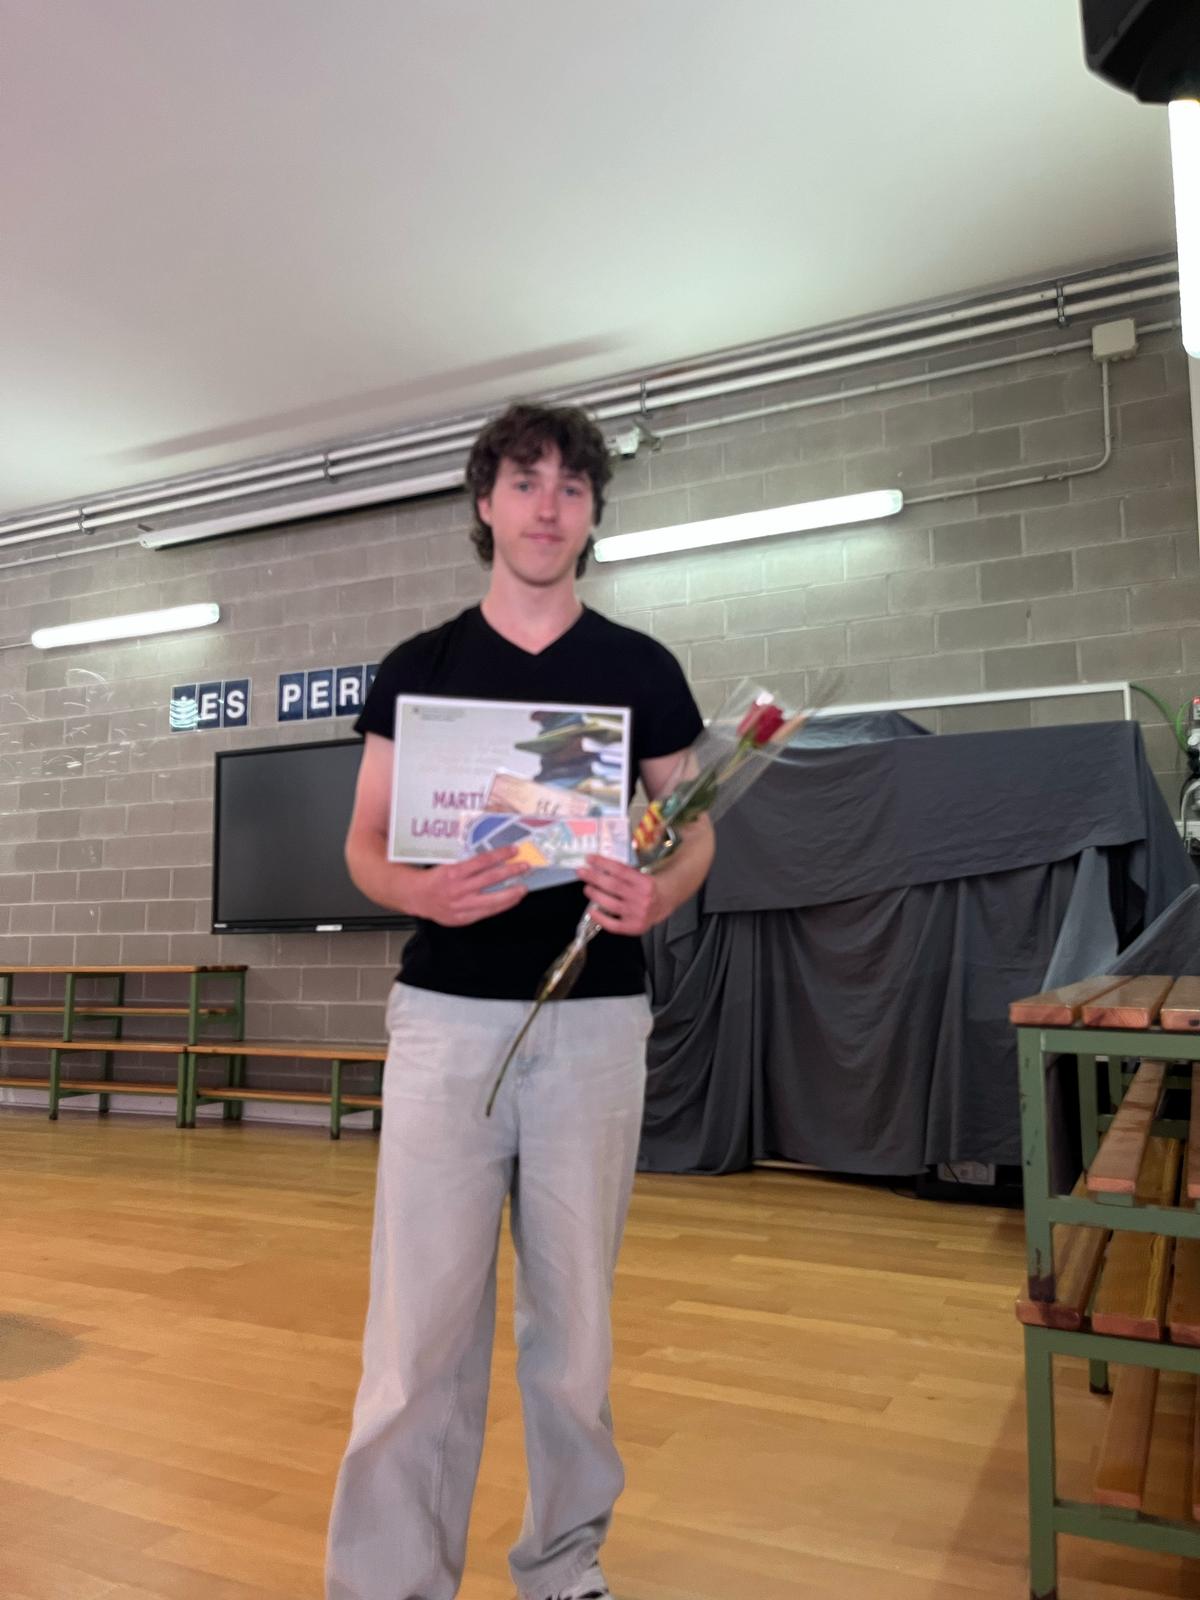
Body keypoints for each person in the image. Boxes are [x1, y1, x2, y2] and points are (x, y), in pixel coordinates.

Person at [325, 400, 713, 1600]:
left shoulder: (641, 669)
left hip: (595, 1026)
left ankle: (561, 1566)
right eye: (526, 482)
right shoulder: (420, 670)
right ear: (485, 503)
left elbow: (694, 832)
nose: (549, 506)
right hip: (445, 1024)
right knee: (417, 1332)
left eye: (572, 487)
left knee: (573, 1329)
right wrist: (422, 892)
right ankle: (389, 1581)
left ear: (592, 514)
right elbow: (365, 846)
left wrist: (661, 892)